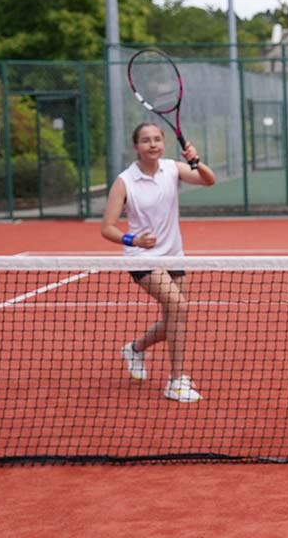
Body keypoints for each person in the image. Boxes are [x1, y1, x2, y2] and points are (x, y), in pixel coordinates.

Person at [101, 122, 216, 403]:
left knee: (175, 316)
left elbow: (208, 180)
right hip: (142, 257)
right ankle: (177, 381)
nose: (152, 144)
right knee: (178, 306)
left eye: (156, 139)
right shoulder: (125, 181)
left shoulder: (173, 169)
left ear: (163, 143)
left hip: (173, 254)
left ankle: (135, 349)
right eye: (145, 140)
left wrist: (196, 162)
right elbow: (107, 227)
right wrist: (133, 241)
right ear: (135, 147)